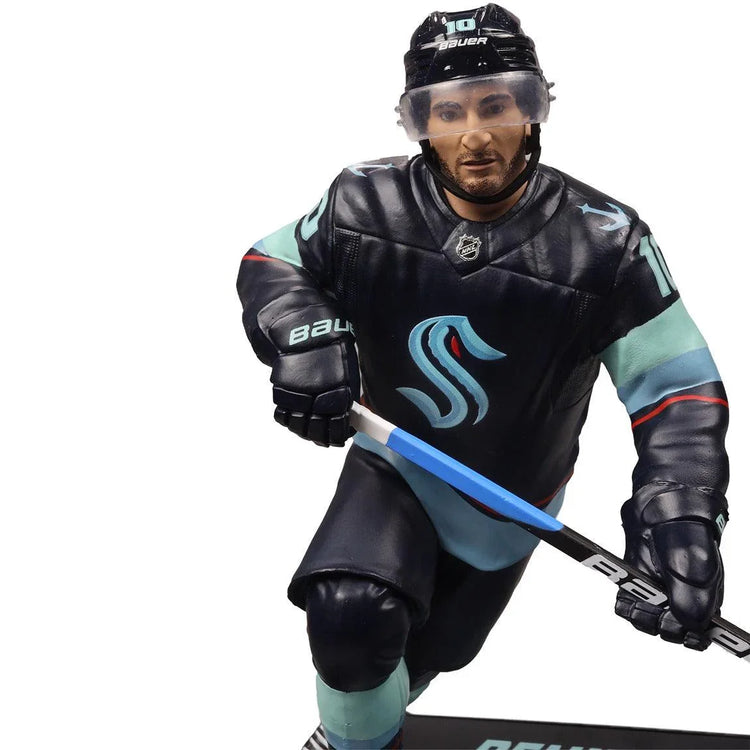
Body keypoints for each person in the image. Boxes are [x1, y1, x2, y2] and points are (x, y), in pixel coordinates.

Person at [236, 6, 730, 749]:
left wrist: (680, 512)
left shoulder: (608, 243)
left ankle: (367, 719)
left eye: (496, 105)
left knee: (434, 653)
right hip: (394, 468)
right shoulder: (361, 200)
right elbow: (273, 263)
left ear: (533, 111)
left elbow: (676, 391)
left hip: (512, 508)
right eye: (448, 112)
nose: (474, 136)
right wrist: (305, 333)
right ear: (419, 122)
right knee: (349, 618)